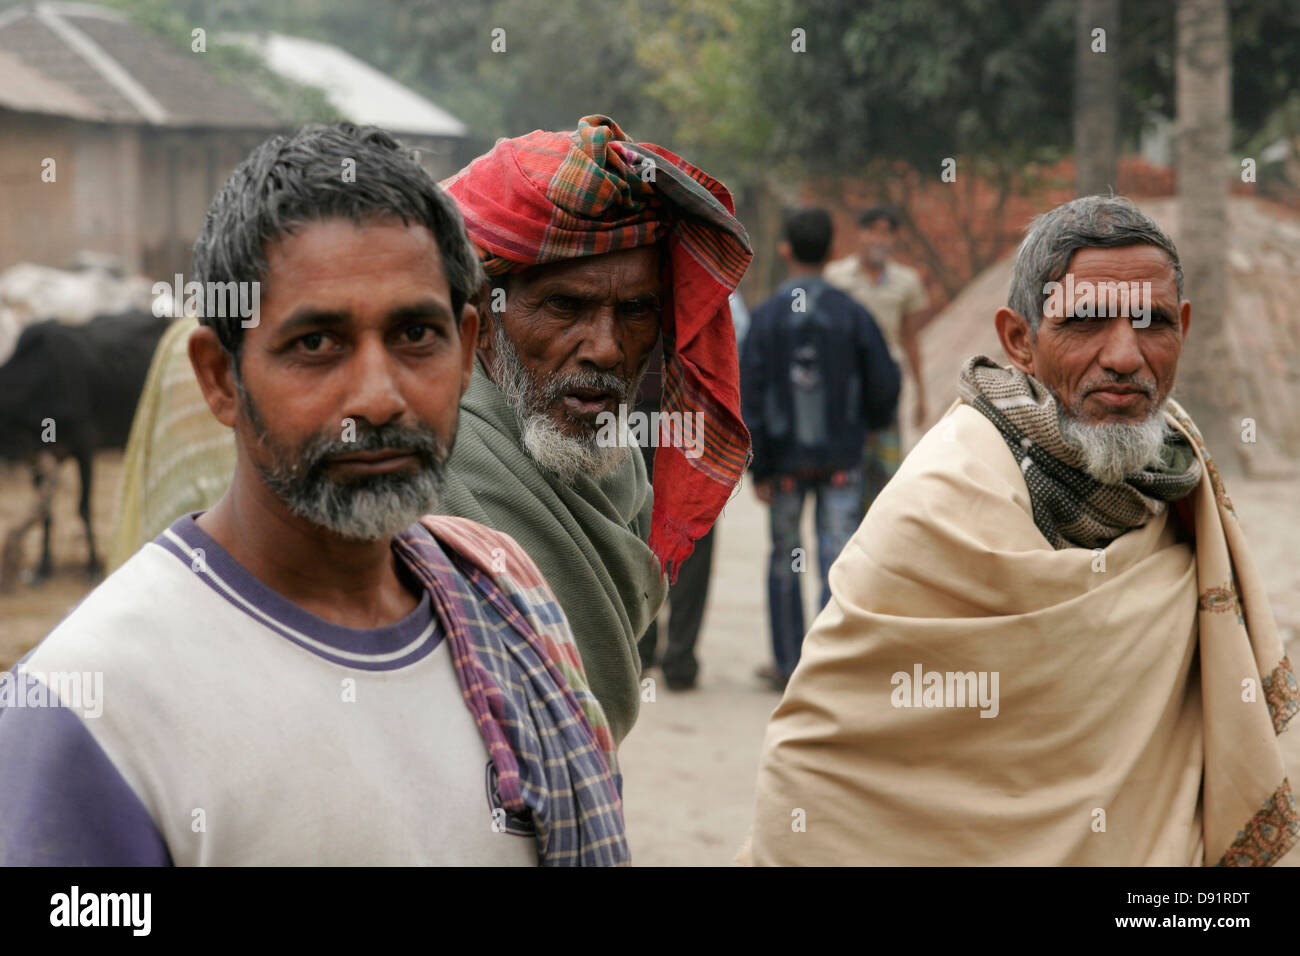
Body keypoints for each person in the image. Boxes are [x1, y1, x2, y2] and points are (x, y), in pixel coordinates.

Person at [0, 123, 626, 866]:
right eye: (317, 344)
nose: (379, 396)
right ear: (219, 378)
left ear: (466, 351)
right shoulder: (94, 704)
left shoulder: (509, 595)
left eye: (415, 334)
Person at [107, 115, 753, 744]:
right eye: (565, 306)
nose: (607, 349)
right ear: (482, 318)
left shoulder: (618, 471)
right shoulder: (415, 468)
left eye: (637, 311)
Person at [745, 195, 1299, 866]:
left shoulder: (1179, 485)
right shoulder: (938, 504)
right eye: (1086, 322)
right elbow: (820, 765)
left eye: (1152, 322)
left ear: (1183, 328)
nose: (1125, 355)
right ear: (1019, 341)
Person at [741, 207, 899, 691]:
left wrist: (760, 466)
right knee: (837, 556)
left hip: (784, 465)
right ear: (834, 252)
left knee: (786, 556)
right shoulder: (852, 315)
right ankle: (828, 665)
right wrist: (867, 429)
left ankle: (788, 663)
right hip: (841, 461)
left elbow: (748, 392)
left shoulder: (766, 318)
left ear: (785, 250)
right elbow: (885, 382)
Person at [636, 290, 751, 691]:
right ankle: (676, 655)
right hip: (687, 408)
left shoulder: (628, 258)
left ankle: (645, 648)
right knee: (685, 529)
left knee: (642, 525)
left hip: (644, 407)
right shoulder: (706, 281)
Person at [824, 206, 932, 511]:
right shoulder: (836, 277)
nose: (879, 239)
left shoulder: (906, 281)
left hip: (886, 382)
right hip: (846, 380)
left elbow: (910, 338)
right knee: (849, 464)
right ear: (860, 234)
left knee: (886, 467)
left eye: (887, 232)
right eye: (872, 230)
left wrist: (921, 395)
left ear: (894, 239)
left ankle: (879, 527)